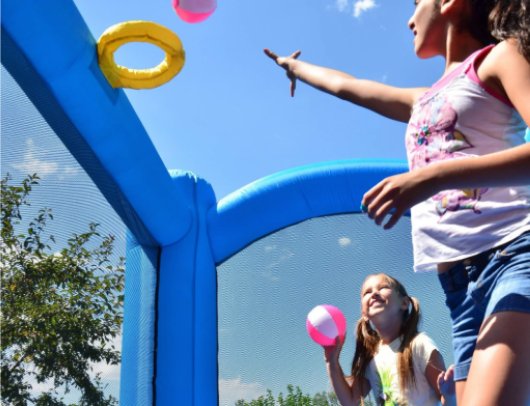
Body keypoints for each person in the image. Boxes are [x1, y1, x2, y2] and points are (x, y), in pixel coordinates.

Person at [264, 1, 530, 405]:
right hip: (458, 288)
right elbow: (345, 85)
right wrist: (293, 67)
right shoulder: (421, 99)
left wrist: (431, 177)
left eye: (416, 4)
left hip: (512, 257)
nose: (409, 19)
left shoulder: (499, 58)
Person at [324, 273, 455, 406]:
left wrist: (450, 396)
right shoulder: (371, 359)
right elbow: (351, 401)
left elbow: (445, 398)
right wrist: (331, 361)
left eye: (382, 288)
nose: (374, 293)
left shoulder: (419, 344)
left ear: (404, 303)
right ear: (364, 314)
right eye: (367, 292)